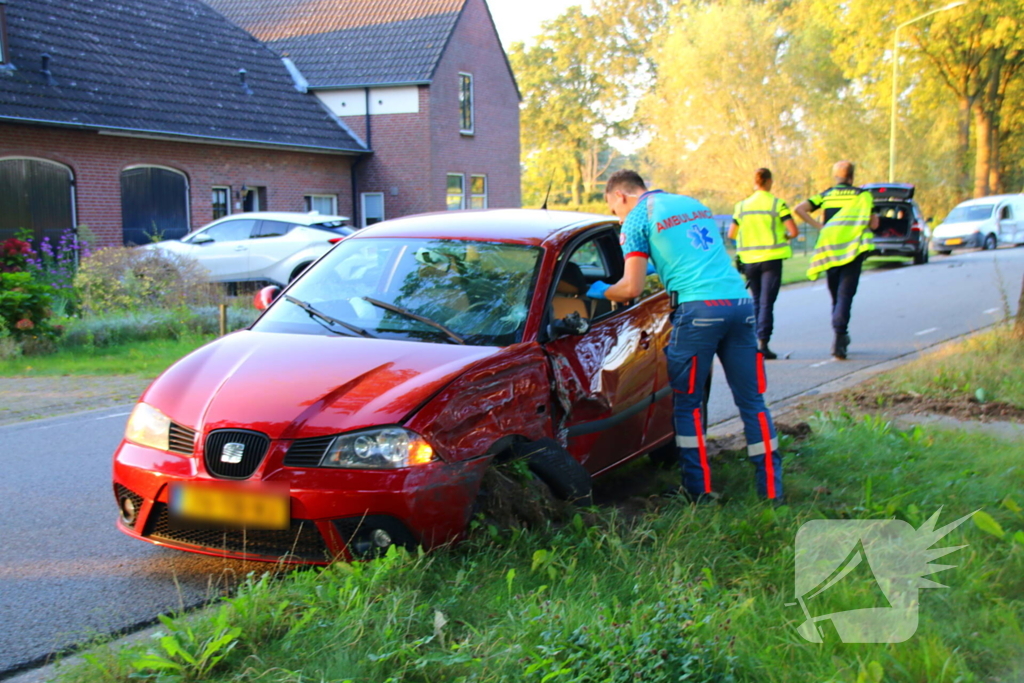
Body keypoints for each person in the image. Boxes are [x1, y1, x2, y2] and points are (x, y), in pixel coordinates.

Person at [587, 169, 782, 503]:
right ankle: (772, 491)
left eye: (612, 208)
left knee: (688, 405)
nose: (615, 216)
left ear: (620, 195)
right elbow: (694, 255)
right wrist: (658, 265)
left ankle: (698, 491)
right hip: (740, 305)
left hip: (698, 314)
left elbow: (630, 289)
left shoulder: (637, 219)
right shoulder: (691, 204)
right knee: (753, 402)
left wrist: (599, 289)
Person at [793, 161, 878, 360]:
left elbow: (799, 209)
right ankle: (839, 337)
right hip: (852, 251)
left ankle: (840, 334)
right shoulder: (862, 196)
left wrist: (820, 226)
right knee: (845, 295)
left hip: (830, 250)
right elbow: (873, 223)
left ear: (836, 177)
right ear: (851, 177)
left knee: (835, 295)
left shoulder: (826, 195)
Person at [728, 168, 799, 360]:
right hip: (771, 259)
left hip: (749, 260)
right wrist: (784, 236)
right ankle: (763, 342)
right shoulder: (777, 204)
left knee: (757, 301)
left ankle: (754, 341)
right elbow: (793, 231)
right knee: (767, 302)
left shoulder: (741, 206)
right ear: (769, 182)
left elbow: (731, 234)